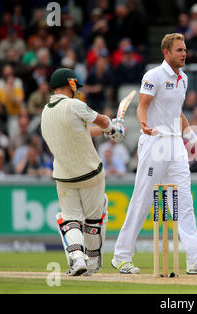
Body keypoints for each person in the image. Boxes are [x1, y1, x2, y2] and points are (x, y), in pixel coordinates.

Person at [112, 33, 197, 275]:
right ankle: (121, 256)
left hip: (176, 146)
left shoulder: (183, 79)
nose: (184, 54)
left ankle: (196, 259)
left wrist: (195, 140)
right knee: (143, 200)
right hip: (154, 142)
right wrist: (142, 124)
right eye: (179, 50)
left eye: (185, 49)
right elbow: (143, 105)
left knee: (185, 202)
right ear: (167, 53)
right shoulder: (153, 76)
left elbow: (179, 114)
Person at [41, 68, 125, 276]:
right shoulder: (74, 105)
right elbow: (103, 121)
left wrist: (109, 130)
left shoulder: (45, 112)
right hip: (90, 174)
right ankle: (93, 261)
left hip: (64, 176)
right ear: (69, 85)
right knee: (94, 219)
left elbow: (84, 131)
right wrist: (113, 128)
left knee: (69, 219)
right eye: (74, 87)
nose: (76, 91)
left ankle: (77, 258)